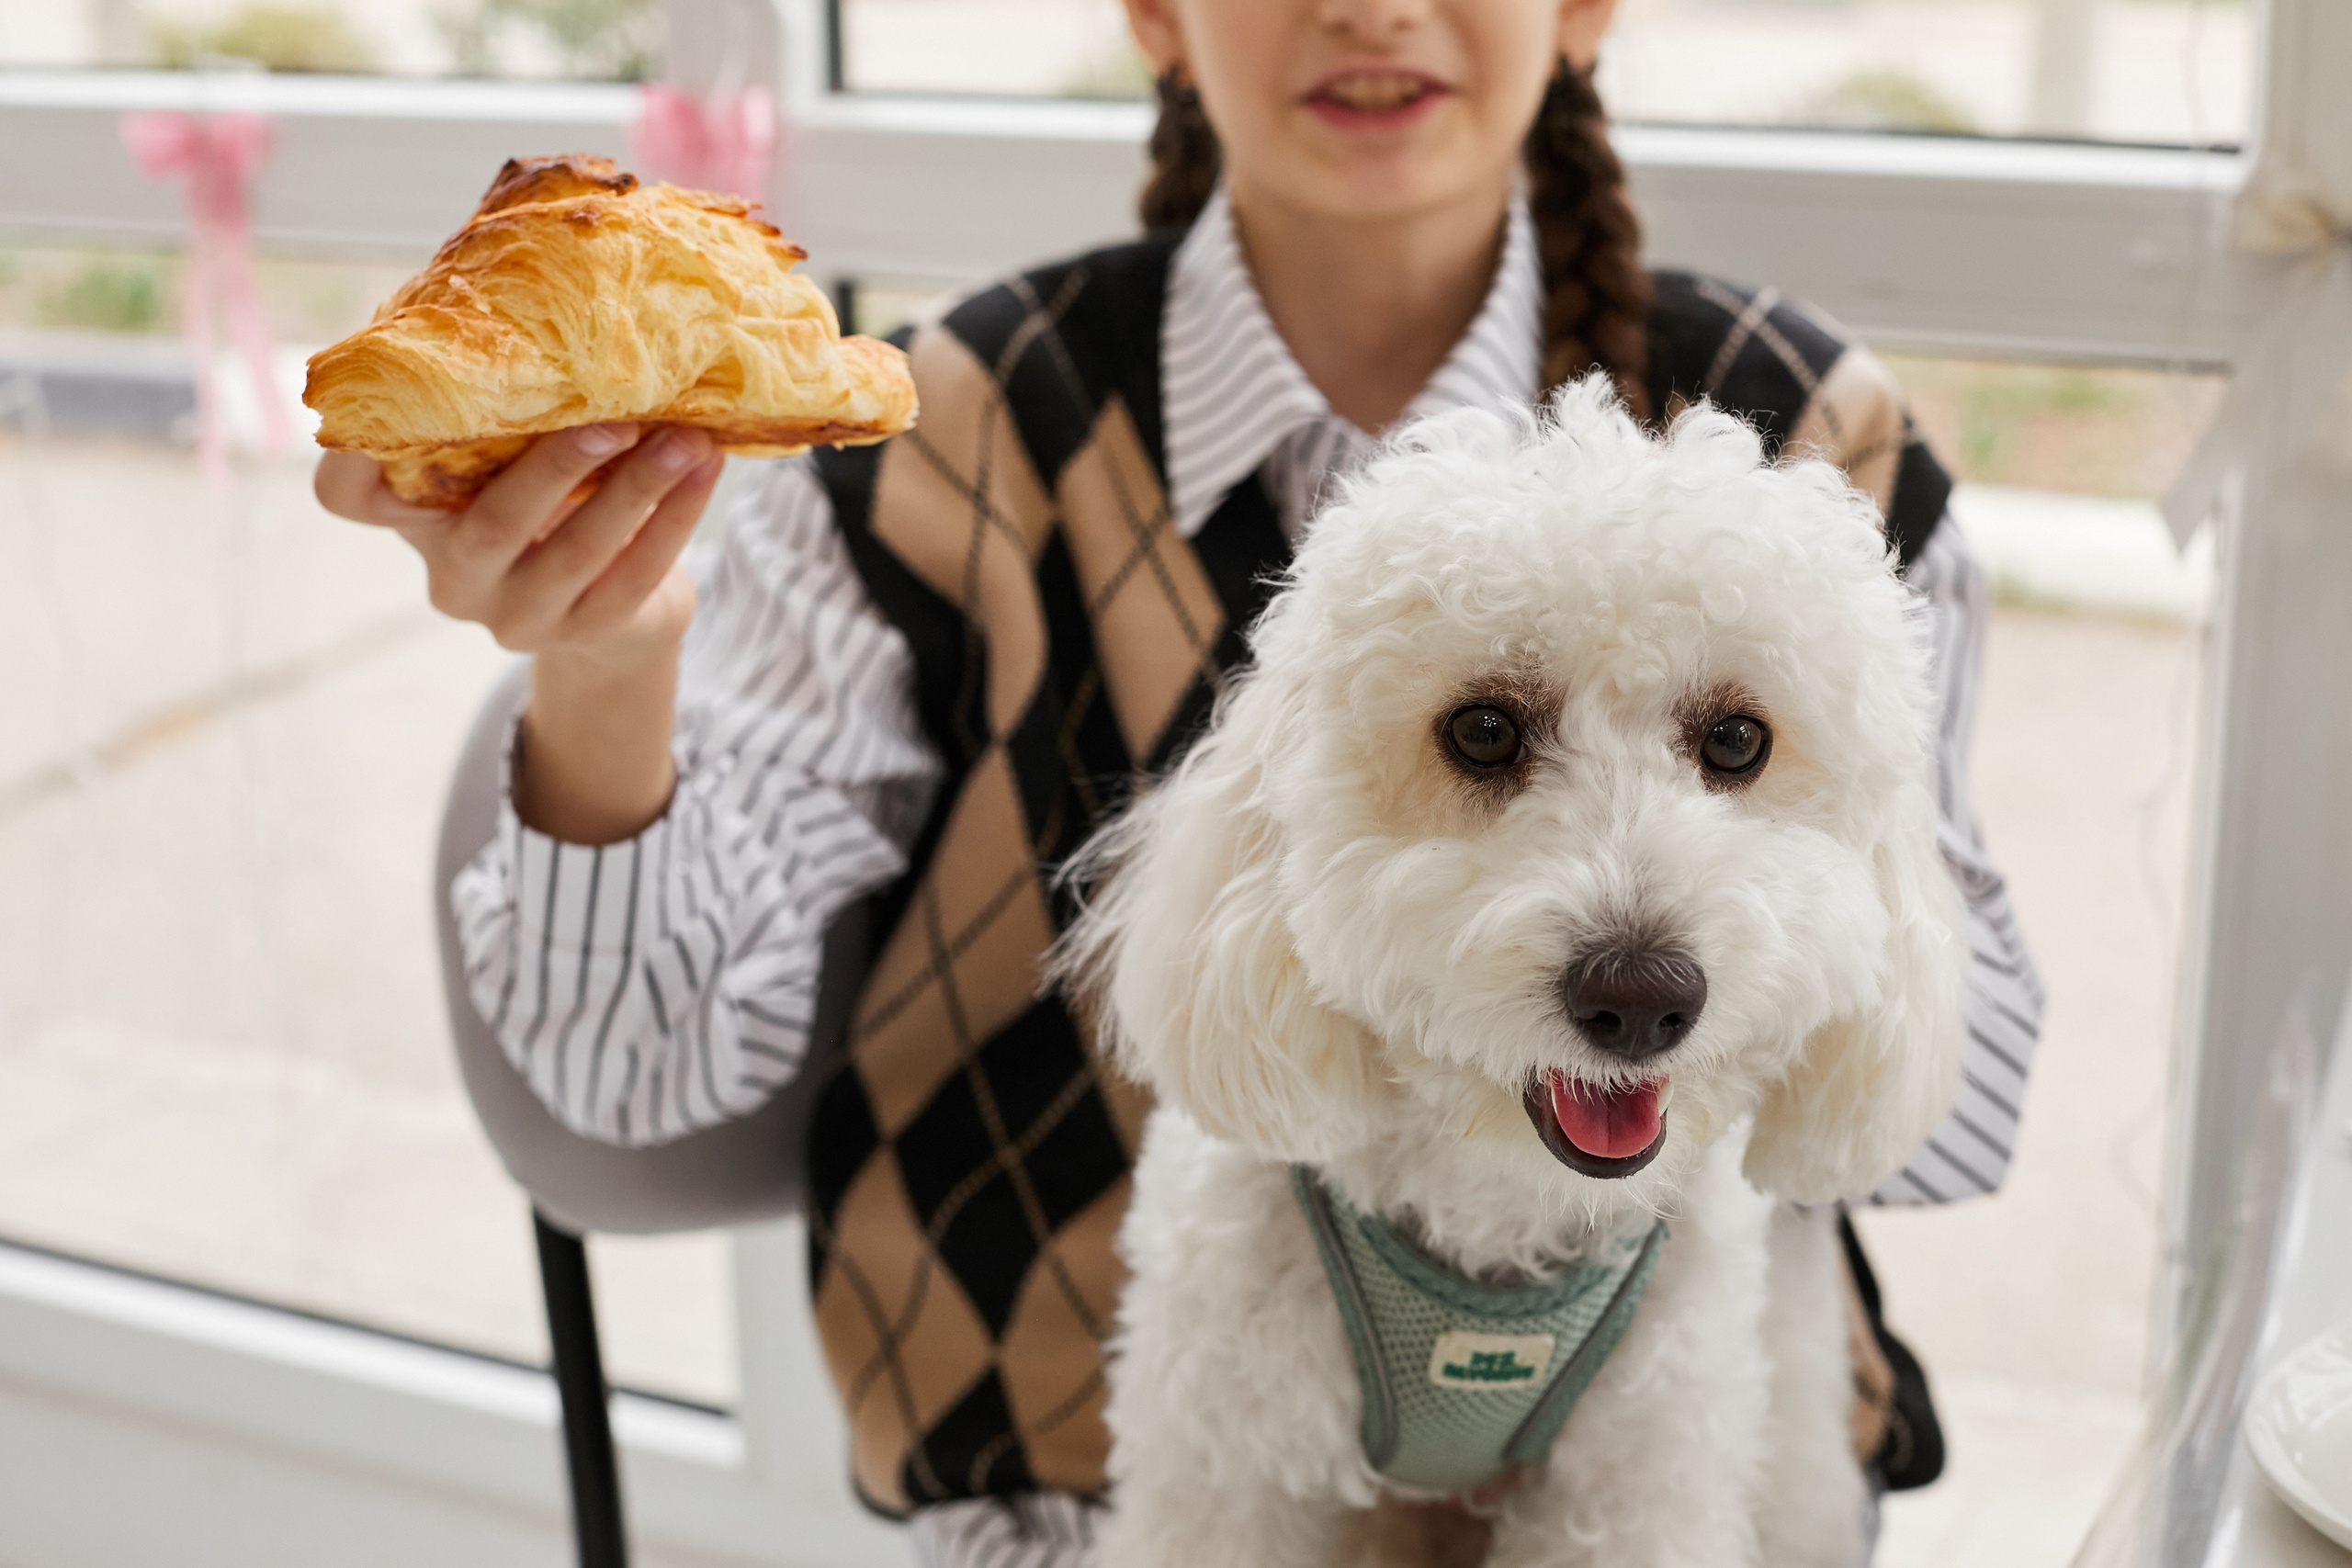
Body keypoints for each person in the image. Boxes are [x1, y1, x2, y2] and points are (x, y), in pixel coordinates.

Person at [319, 0, 2044, 1560]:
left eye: (1727, 745)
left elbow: (1948, 1119)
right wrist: (613, 662)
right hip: (1064, 1484)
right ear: (1151, 10)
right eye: (1488, 737)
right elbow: (623, 1103)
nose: (1371, 9)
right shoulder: (925, 438)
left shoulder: (1818, 437)